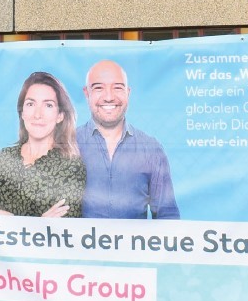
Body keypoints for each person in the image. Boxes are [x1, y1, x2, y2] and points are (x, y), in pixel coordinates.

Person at [76, 60, 178, 219]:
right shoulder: (66, 144)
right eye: (98, 88)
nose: (108, 97)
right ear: (86, 93)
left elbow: (168, 216)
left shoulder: (151, 149)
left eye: (117, 88)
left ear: (128, 93)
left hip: (134, 244)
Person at [0, 71, 84, 217]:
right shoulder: (3, 159)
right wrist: (41, 221)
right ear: (22, 112)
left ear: (60, 116)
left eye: (48, 105)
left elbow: (61, 231)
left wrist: (7, 218)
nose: (37, 114)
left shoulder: (71, 166)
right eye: (31, 104)